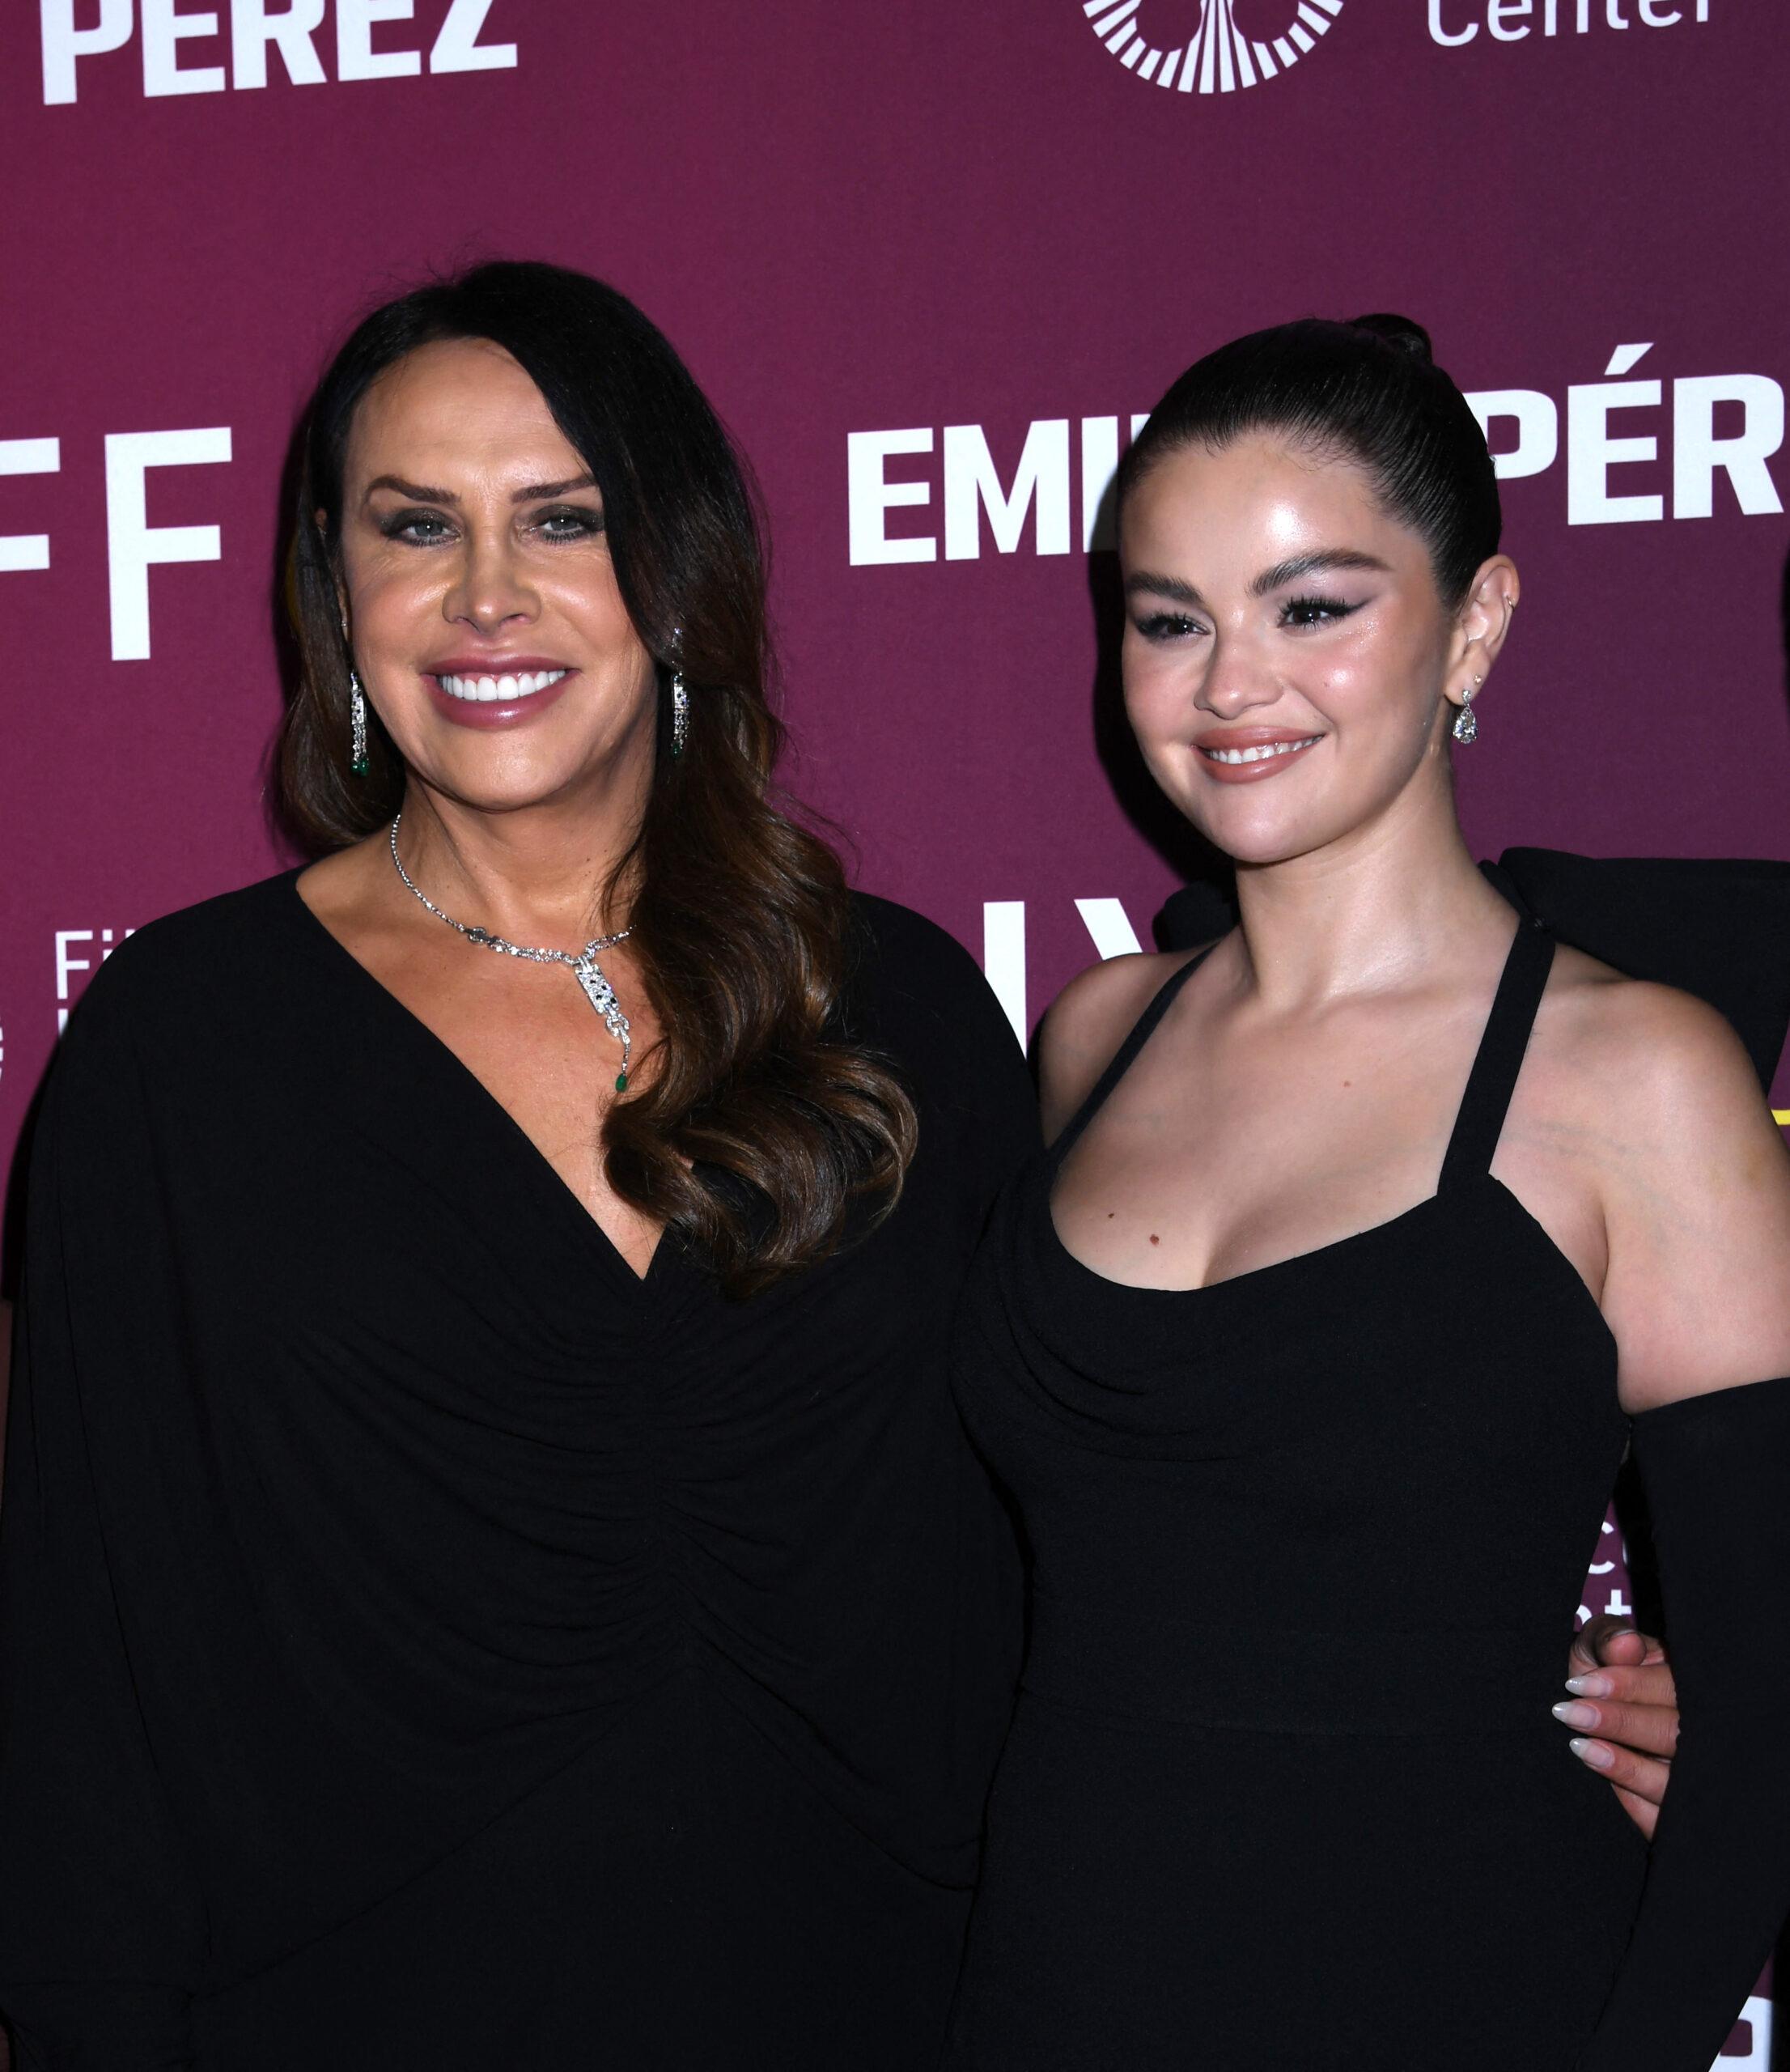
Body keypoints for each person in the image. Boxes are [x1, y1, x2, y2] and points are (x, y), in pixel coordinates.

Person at [0, 267, 1684, 2070]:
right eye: (415, 526)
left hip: (891, 2011)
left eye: (564, 519)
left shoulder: (898, 1011)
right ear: (334, 586)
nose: (485, 596)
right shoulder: (185, 1046)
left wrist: (1630, 1694)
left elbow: (1125, 1509)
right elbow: (81, 1667)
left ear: (677, 569)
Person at [946, 316, 1790, 2070]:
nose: (1227, 683)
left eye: (1310, 607)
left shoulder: (1635, 1077)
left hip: (1470, 1999)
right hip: (1049, 1995)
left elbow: (1763, 1730)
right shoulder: (1092, 1033)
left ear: (1472, 621)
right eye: (1168, 619)